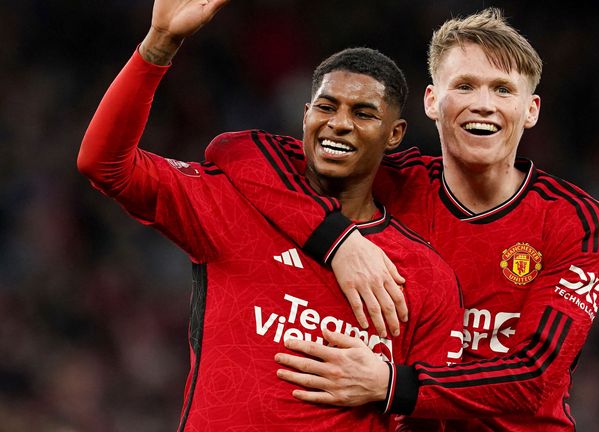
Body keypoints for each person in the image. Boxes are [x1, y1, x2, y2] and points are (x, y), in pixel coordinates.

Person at [205, 7, 599, 431]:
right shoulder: (392, 181)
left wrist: (391, 384)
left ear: (530, 110)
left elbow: (534, 378)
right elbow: (236, 152)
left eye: (503, 90)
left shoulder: (574, 220)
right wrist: (337, 240)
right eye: (465, 86)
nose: (483, 105)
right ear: (432, 102)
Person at [77, 0, 464, 430]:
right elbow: (105, 164)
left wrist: (387, 384)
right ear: (304, 116)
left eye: (363, 113)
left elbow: (434, 414)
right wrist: (159, 44)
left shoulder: (424, 276)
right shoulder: (233, 205)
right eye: (326, 107)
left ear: (394, 134)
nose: (339, 123)